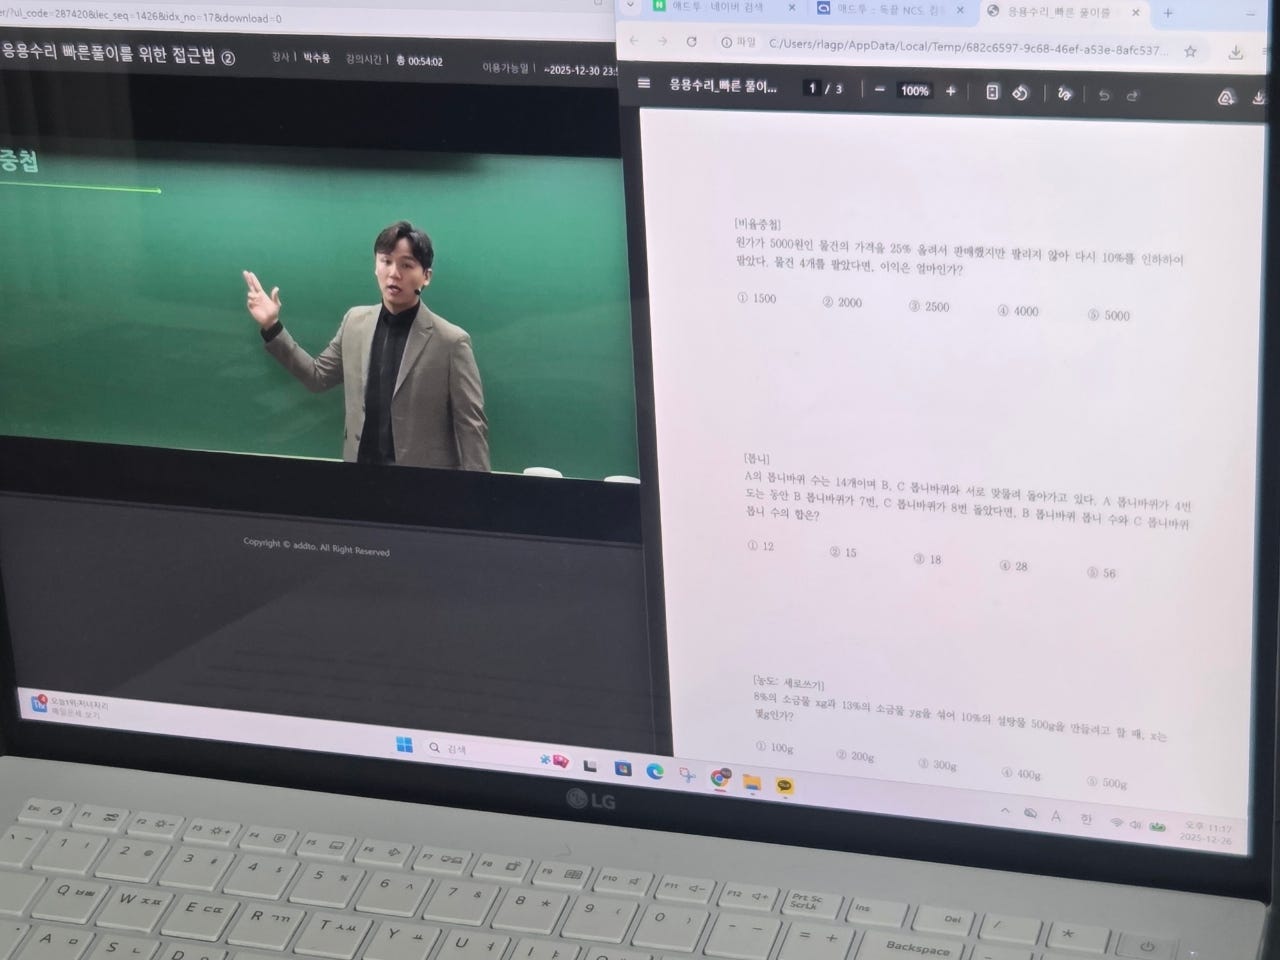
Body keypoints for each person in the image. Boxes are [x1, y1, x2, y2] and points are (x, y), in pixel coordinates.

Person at [243, 221, 489, 471]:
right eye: (386, 261)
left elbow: (471, 426)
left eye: (406, 265)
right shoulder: (355, 323)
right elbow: (317, 377)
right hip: (359, 476)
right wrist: (272, 326)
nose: (394, 273)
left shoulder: (451, 342)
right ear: (375, 266)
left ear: (426, 276)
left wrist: (479, 491)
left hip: (422, 484)